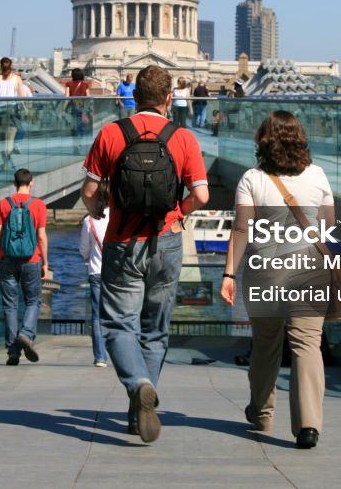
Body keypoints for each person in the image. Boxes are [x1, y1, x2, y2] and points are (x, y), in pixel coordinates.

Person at [81, 65, 210, 443]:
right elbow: (201, 195)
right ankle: (142, 402)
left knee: (120, 323)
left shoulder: (110, 133)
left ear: (133, 96)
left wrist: (98, 212)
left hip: (123, 240)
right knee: (155, 329)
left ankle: (137, 386)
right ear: (169, 98)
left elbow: (89, 193)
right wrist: (177, 216)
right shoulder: (183, 137)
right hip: (165, 239)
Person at [220, 111, 335, 450]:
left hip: (266, 270)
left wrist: (228, 273)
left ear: (263, 141)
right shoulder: (318, 176)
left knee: (266, 344)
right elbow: (329, 227)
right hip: (310, 267)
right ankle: (308, 425)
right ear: (300, 139)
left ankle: (261, 413)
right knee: (306, 344)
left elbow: (241, 229)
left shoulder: (252, 179)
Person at [0, 168, 49, 366]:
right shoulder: (39, 205)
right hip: (31, 261)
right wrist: (45, 262)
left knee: (10, 305)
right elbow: (41, 236)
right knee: (33, 300)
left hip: (7, 260)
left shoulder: (4, 204)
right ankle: (26, 334)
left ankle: (12, 352)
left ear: (14, 183)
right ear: (31, 182)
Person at [79, 180, 111, 368]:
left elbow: (83, 249)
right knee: (122, 313)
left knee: (97, 315)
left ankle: (100, 356)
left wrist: (89, 258)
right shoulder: (119, 218)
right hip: (117, 273)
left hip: (96, 271)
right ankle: (123, 352)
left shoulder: (89, 220)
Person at [0, 56, 23, 170]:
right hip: (12, 110)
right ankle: (9, 159)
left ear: (0, 66)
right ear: (11, 65)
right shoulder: (17, 78)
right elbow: (21, 96)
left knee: (2, 140)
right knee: (10, 137)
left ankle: (6, 163)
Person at [65, 68, 91, 152]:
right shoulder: (85, 85)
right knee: (81, 127)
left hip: (73, 108)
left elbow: (67, 97)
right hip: (82, 108)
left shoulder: (68, 84)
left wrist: (64, 108)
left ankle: (75, 144)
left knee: (74, 127)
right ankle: (80, 143)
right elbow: (88, 97)